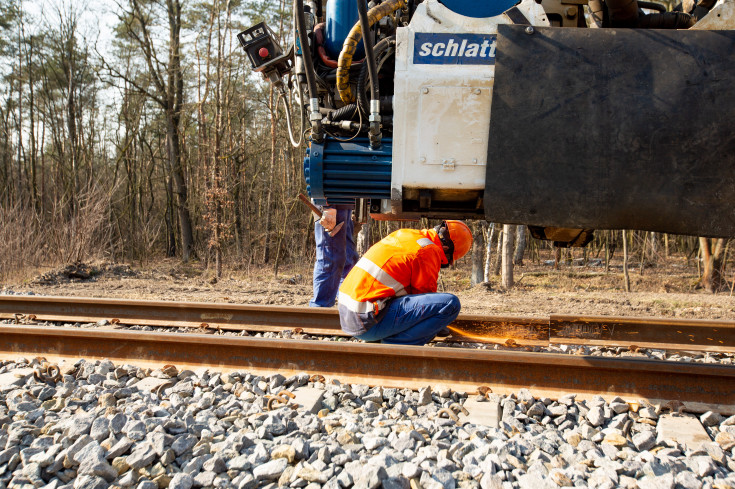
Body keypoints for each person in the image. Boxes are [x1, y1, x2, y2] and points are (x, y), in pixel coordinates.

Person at [337, 220, 473, 345]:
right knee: (450, 304)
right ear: (447, 249)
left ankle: (386, 337)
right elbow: (425, 298)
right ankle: (395, 344)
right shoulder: (428, 250)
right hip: (367, 324)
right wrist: (438, 325)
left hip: (349, 316)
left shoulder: (405, 234)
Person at [309, 203, 359, 307]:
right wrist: (326, 205)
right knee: (330, 260)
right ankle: (320, 310)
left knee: (348, 258)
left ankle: (347, 307)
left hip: (345, 201)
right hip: (329, 201)